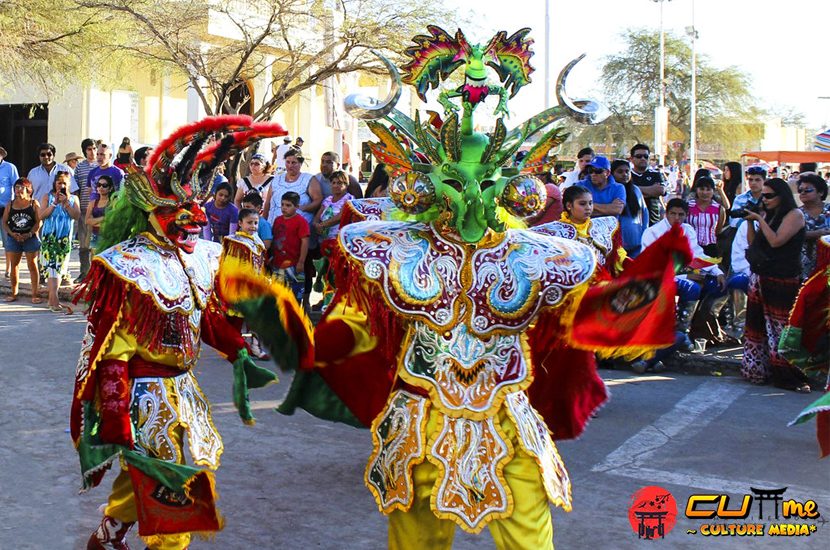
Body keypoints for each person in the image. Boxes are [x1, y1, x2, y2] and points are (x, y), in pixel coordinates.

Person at [72, 116, 284, 550]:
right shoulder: (129, 268)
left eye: (195, 211)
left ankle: (108, 534)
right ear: (151, 213)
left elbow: (203, 316)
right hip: (146, 393)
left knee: (152, 472)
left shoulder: (196, 258)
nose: (192, 218)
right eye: (178, 211)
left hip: (184, 389)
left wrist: (236, 349)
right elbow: (111, 347)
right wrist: (114, 410)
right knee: (169, 479)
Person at [740, 178, 809, 392]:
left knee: (780, 330)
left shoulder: (794, 215)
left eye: (769, 196)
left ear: (782, 196)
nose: (765, 200)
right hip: (761, 277)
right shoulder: (769, 215)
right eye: (763, 196)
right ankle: (757, 370)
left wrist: (760, 220)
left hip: (783, 279)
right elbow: (754, 243)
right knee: (756, 327)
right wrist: (751, 221)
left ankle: (788, 377)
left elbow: (777, 241)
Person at [642, 198, 726, 350]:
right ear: (666, 214)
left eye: (681, 215)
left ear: (686, 216)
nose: (676, 218)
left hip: (685, 273)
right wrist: (684, 276)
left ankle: (701, 328)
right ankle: (682, 332)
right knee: (691, 287)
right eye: (673, 214)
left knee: (719, 285)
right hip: (658, 279)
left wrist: (717, 271)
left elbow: (697, 254)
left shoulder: (688, 230)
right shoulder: (653, 232)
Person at [38, 170, 80, 312]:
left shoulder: (74, 199)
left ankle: (52, 300)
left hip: (64, 238)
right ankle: (54, 299)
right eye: (59, 182)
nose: (61, 185)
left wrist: (66, 204)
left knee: (61, 268)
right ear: (55, 184)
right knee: (51, 268)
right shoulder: (47, 197)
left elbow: (76, 216)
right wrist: (54, 203)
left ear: (69, 185)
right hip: (50, 236)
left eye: (64, 183)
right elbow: (41, 215)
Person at [1, 178, 41, 303]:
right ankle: (14, 293)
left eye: (22, 187)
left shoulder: (34, 203)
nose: (19, 190)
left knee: (32, 265)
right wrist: (12, 234)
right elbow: (5, 223)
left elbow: (39, 222)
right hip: (14, 238)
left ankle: (35, 294)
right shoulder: (10, 204)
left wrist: (29, 233)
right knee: (14, 266)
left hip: (30, 238)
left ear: (28, 189)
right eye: (17, 187)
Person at [270, 191, 309, 302]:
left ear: (297, 207)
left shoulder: (301, 221)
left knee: (295, 297)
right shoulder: (278, 220)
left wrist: (301, 262)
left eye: (288, 205)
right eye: (282, 204)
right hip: (278, 265)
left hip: (294, 265)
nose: (284, 208)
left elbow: (305, 242)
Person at [796, 173, 830, 280]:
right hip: (802, 268)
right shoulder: (796, 214)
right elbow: (790, 237)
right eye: (800, 190)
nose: (803, 193)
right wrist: (815, 234)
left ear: (820, 192)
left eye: (807, 190)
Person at [73, 139, 98, 282]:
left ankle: (96, 274)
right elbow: (76, 189)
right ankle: (84, 272)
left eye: (94, 148)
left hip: (98, 211)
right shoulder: (80, 167)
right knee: (83, 244)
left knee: (96, 244)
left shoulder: (102, 166)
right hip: (83, 210)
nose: (92, 152)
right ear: (84, 151)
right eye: (89, 149)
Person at [611, 159, 647, 257]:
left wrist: (644, 235)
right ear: (612, 174)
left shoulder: (635, 190)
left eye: (627, 171)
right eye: (620, 172)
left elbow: (644, 213)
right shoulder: (611, 191)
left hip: (636, 242)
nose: (624, 174)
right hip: (618, 245)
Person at [687, 176, 726, 257]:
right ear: (697, 190)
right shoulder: (688, 206)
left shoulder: (719, 209)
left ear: (713, 191)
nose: (705, 193)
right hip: (690, 247)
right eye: (701, 189)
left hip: (710, 248)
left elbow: (718, 229)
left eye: (708, 189)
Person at [629, 144, 667, 226]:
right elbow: (625, 191)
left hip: (653, 222)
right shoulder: (627, 175)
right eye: (639, 156)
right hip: (632, 222)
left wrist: (633, 189)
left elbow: (660, 190)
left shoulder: (656, 175)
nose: (643, 159)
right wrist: (650, 190)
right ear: (632, 159)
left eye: (645, 156)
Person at [0, 145, 21, 279]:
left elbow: (17, 185)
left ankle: (8, 270)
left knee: (8, 240)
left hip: (5, 208)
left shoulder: (10, 167)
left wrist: (16, 205)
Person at [84, 175, 114, 254]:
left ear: (110, 188)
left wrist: (94, 221)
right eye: (99, 185)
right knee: (94, 262)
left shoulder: (114, 202)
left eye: (104, 185)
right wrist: (103, 218)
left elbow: (112, 221)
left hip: (109, 237)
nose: (101, 187)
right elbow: (87, 221)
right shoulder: (93, 203)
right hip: (95, 237)